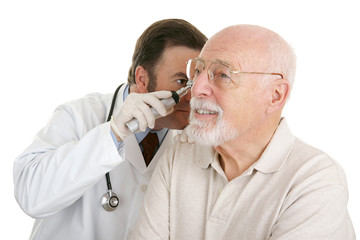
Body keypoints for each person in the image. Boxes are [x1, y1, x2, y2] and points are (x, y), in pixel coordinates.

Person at [131, 24, 356, 239]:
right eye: (198, 71)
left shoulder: (316, 181)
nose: (196, 89)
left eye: (223, 74)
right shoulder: (177, 158)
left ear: (275, 95)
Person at [13, 19, 207, 240]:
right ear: (142, 78)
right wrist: (113, 134)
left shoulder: (195, 142)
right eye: (182, 82)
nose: (193, 97)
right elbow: (31, 196)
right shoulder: (81, 115)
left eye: (198, 82)